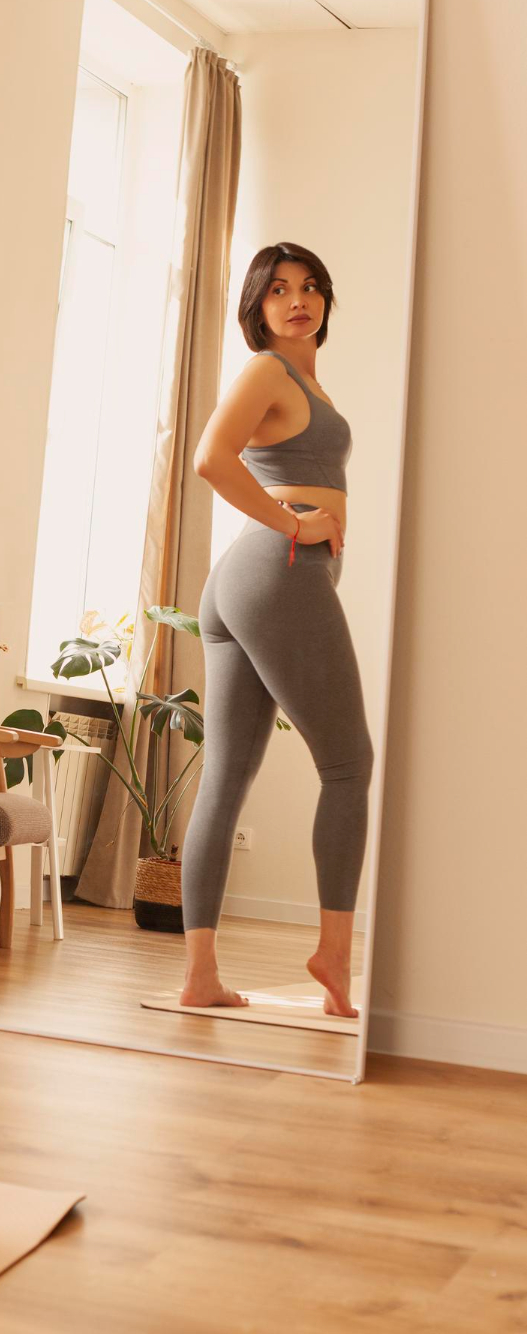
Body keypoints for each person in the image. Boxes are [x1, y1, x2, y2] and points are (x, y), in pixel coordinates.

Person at [179, 243, 374, 1019]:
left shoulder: (305, 383)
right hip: (275, 569)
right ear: (256, 305)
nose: (297, 300)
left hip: (247, 581)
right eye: (278, 290)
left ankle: (200, 978)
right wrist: (291, 524)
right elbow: (207, 458)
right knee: (348, 765)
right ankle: (331, 952)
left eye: (310, 287)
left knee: (225, 776)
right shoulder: (267, 370)